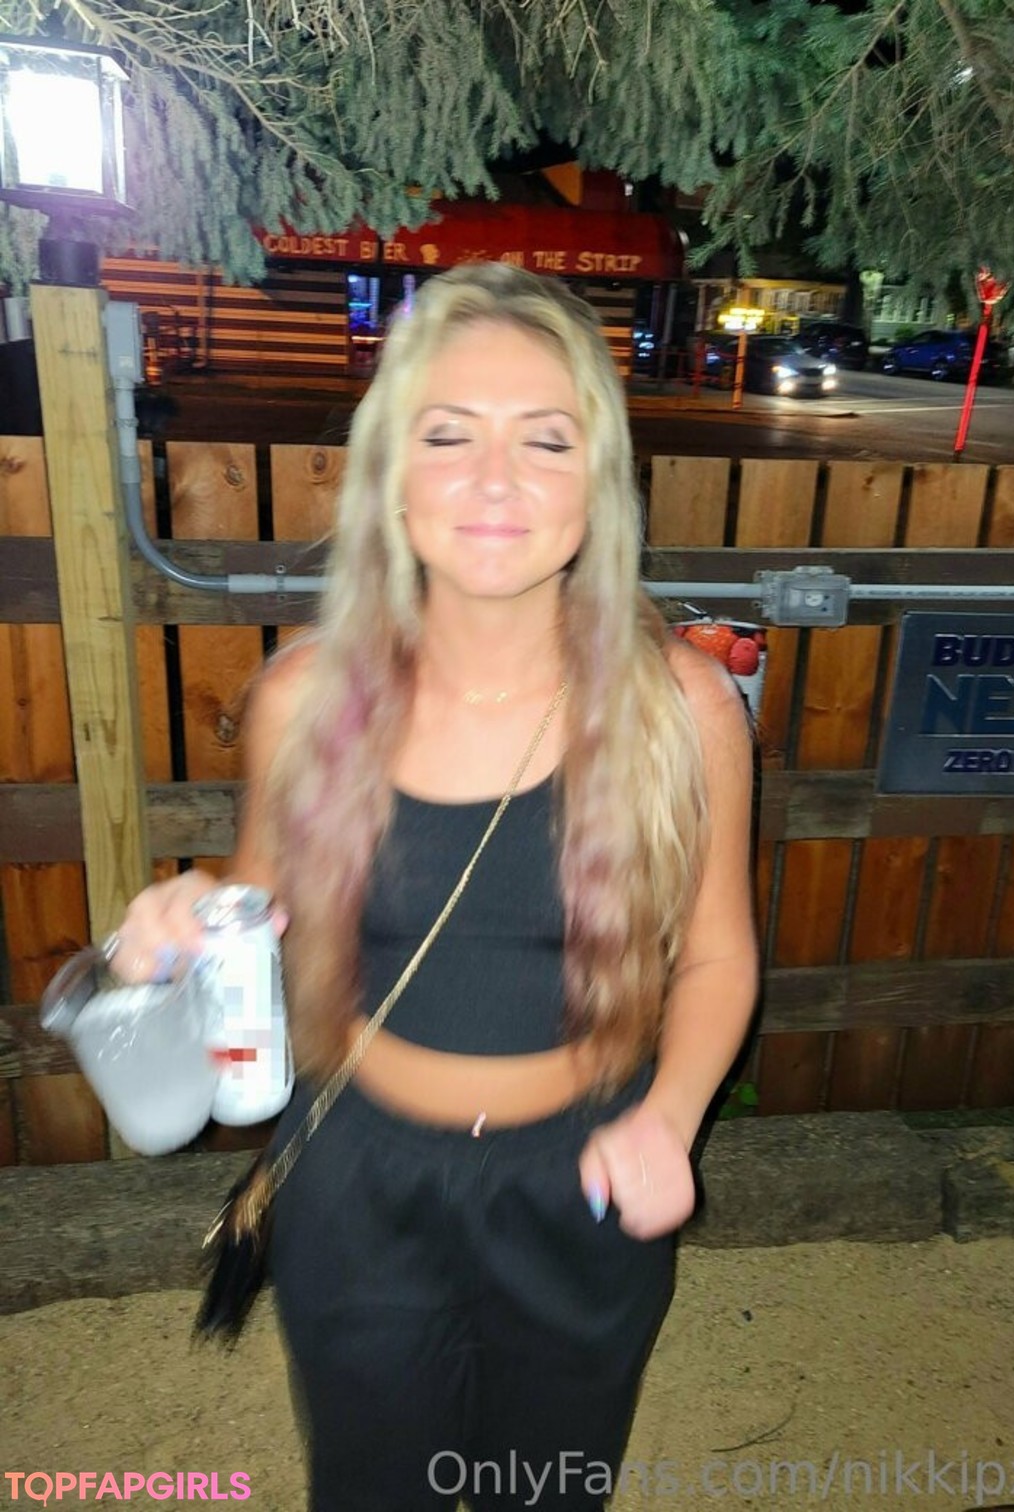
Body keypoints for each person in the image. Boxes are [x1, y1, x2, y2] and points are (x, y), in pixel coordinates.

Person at [117, 262, 758, 1511]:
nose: (496, 479)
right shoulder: (303, 700)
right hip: (358, 1186)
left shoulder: (683, 705)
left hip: (582, 1184)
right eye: (449, 434)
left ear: (599, 481)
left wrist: (670, 1118)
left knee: (546, 1492)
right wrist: (182, 920)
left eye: (546, 440)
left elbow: (719, 954)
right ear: (390, 477)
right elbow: (256, 913)